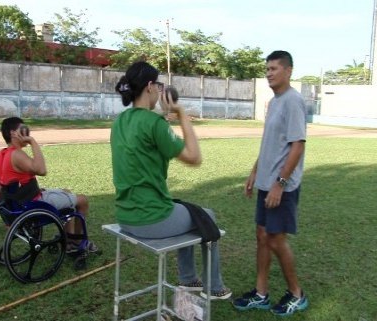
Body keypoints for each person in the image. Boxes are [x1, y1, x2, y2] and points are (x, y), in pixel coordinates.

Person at [110, 61, 231, 300]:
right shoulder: (154, 124)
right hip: (150, 218)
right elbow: (194, 157)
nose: (159, 90)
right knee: (206, 216)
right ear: (149, 86)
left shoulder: (120, 122)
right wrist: (181, 113)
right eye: (158, 85)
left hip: (126, 217)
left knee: (187, 210)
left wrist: (164, 117)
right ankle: (213, 287)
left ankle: (189, 280)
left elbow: (147, 145)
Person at [232, 50, 309, 316]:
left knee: (276, 239)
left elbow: (297, 146)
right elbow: (271, 143)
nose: (269, 73)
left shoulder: (293, 101)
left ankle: (297, 294)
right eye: (267, 69)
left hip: (282, 186)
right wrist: (255, 171)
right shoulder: (274, 102)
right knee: (262, 236)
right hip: (266, 181)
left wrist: (280, 183)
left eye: (274, 69)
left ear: (288, 71)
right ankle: (261, 293)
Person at [0, 117, 99, 254]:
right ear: (13, 133)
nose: (27, 132)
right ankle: (76, 242)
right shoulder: (17, 154)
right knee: (82, 200)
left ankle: (69, 237)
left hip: (19, 204)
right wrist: (32, 142)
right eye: (23, 129)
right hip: (34, 204)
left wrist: (7, 197)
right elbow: (42, 170)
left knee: (66, 192)